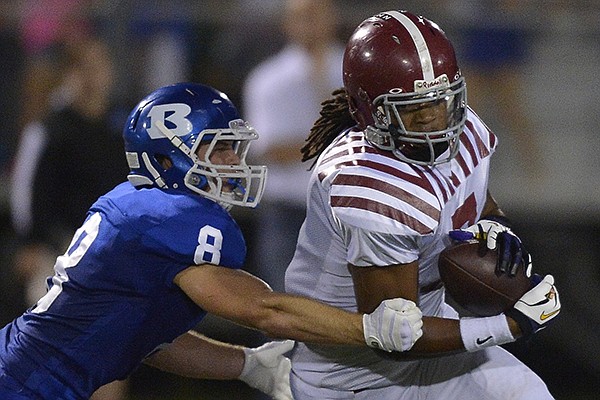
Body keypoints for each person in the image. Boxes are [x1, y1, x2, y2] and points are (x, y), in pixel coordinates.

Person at [0, 82, 425, 400]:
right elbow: (264, 310)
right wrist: (367, 328)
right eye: (216, 150)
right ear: (167, 160)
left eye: (234, 148)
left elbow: (147, 341)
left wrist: (246, 365)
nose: (233, 163)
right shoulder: (173, 218)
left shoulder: (137, 206)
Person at [284, 10, 561, 399]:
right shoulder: (369, 186)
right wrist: (509, 326)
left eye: (441, 101)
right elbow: (395, 337)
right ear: (368, 112)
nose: (434, 118)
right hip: (355, 378)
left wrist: (498, 227)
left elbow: (475, 200)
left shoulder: (464, 130)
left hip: (439, 342)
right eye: (414, 110)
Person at [242, 0, 344, 290]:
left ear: (331, 18)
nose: (310, 25)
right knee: (282, 302)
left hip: (346, 209)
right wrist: (337, 140)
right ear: (287, 24)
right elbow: (269, 150)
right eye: (302, 18)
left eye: (317, 16)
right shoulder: (267, 79)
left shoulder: (356, 73)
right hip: (285, 214)